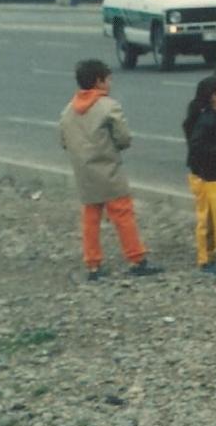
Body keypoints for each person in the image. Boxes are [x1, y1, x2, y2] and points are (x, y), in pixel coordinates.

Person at [58, 58, 161, 281]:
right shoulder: (109, 106)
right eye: (108, 79)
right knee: (123, 214)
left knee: (91, 217)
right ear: (99, 81)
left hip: (84, 172)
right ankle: (136, 259)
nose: (110, 83)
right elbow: (123, 137)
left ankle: (93, 264)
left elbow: (64, 140)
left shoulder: (68, 111)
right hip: (109, 168)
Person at [183, 72, 216, 274]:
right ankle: (205, 259)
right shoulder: (207, 120)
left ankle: (214, 251)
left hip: (211, 174)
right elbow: (198, 146)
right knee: (206, 218)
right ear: (215, 97)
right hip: (204, 175)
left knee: (213, 215)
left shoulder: (213, 117)